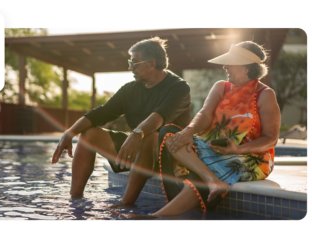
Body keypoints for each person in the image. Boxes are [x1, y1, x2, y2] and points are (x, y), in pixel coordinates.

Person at [51, 37, 192, 206]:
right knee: (90, 134)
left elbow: (158, 117)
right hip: (139, 149)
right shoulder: (130, 89)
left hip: (170, 153)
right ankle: (75, 199)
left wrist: (137, 134)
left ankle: (125, 204)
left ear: (152, 63)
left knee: (150, 136)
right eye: (130, 62)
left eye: (134, 62)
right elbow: (101, 113)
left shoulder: (179, 87)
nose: (130, 67)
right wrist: (69, 133)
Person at [152, 41, 281, 217]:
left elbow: (270, 138)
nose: (225, 66)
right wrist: (188, 132)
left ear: (246, 67)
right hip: (210, 147)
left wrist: (238, 149)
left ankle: (156, 218)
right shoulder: (221, 87)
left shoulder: (265, 94)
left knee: (210, 167)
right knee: (169, 134)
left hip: (250, 157)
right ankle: (212, 181)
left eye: (231, 63)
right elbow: (204, 114)